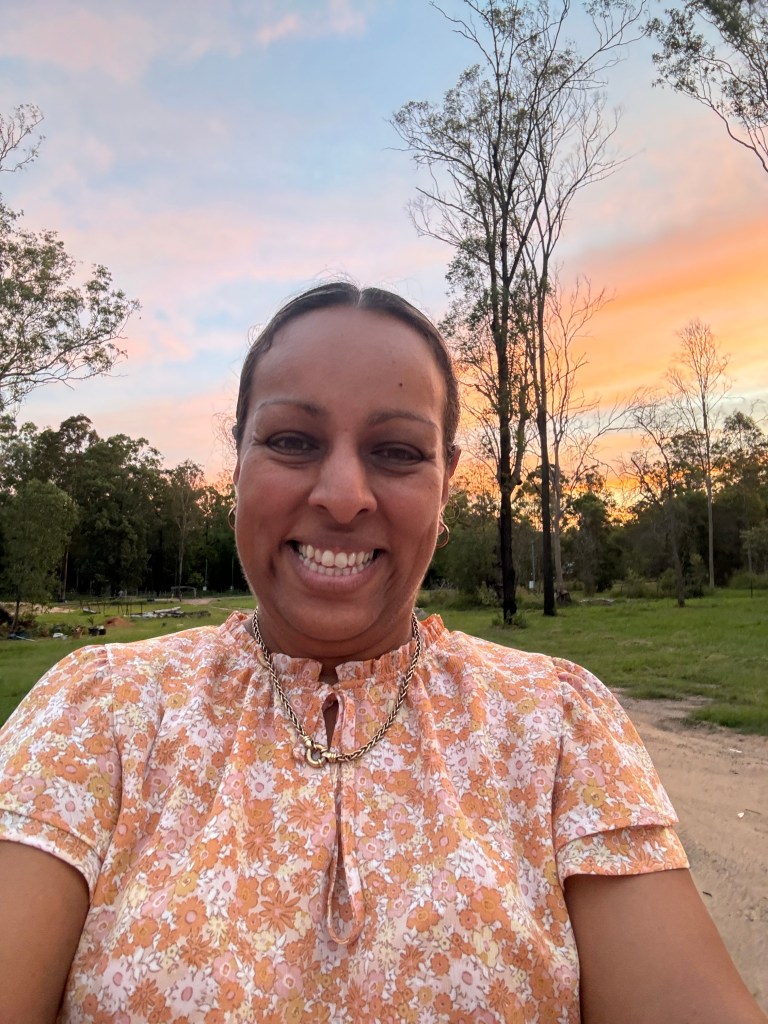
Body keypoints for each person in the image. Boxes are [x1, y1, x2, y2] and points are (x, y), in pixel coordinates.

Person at [0, 281, 764, 1024]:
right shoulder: (99, 713)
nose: (342, 494)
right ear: (238, 462)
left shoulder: (559, 727)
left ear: (446, 482)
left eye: (396, 451)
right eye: (292, 441)